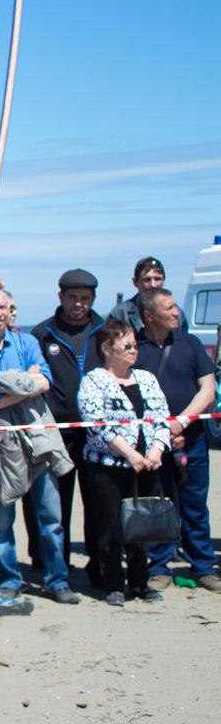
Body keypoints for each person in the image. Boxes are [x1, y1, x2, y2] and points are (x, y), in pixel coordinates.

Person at [0, 290, 79, 605]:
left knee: (51, 518)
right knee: (0, 523)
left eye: (4, 307)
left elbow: (46, 381)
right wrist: (25, 385)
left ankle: (57, 580)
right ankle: (9, 580)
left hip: (39, 438)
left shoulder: (27, 343)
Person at [76, 319, 169, 605]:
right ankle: (113, 584)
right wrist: (128, 453)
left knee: (142, 525)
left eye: (135, 345)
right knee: (109, 527)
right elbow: (96, 422)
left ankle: (141, 582)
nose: (133, 351)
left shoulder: (146, 378)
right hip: (108, 467)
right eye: (126, 345)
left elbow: (162, 416)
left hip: (146, 465)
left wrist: (156, 449)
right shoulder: (94, 380)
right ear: (107, 348)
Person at [134, 288, 220, 592]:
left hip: (192, 439)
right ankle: (159, 566)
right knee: (160, 503)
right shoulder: (134, 345)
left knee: (196, 504)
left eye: (175, 308)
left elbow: (208, 391)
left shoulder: (190, 342)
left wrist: (181, 423)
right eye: (169, 308)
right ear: (149, 315)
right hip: (152, 443)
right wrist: (160, 432)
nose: (176, 313)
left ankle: (203, 565)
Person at [29, 269, 105, 582]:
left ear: (93, 300)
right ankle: (51, 563)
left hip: (98, 435)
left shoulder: (105, 331)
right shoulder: (42, 333)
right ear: (61, 297)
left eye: (85, 298)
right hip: (55, 434)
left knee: (98, 503)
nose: (78, 304)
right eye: (72, 297)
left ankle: (98, 565)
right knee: (52, 505)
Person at [109, 257, 188, 334]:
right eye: (147, 280)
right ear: (135, 282)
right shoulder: (120, 314)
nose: (153, 284)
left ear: (163, 281)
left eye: (157, 279)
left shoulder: (178, 314)